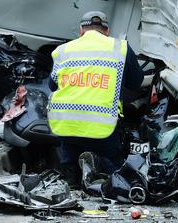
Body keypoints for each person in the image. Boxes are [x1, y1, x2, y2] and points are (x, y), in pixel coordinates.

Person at [48, 11, 143, 182]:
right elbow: (136, 83)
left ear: (81, 30)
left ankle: (74, 185)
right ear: (107, 31)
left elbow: (52, 85)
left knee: (71, 171)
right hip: (102, 127)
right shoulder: (120, 48)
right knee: (115, 173)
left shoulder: (62, 51)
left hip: (66, 125)